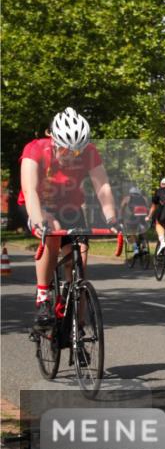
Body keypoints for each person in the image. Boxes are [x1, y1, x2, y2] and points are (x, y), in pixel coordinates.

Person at [18, 107, 119, 331]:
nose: (70, 156)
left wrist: (112, 218)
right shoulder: (35, 149)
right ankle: (43, 297)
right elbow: (30, 190)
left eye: (76, 152)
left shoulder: (89, 152)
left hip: (70, 207)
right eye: (64, 149)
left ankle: (78, 326)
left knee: (80, 261)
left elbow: (102, 186)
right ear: (52, 139)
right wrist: (39, 220)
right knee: (53, 232)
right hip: (39, 206)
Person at [119, 185, 150, 256]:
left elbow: (122, 208)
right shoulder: (144, 198)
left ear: (130, 193)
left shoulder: (127, 198)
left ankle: (135, 249)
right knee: (143, 231)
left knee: (131, 231)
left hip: (134, 217)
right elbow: (148, 207)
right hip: (143, 217)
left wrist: (120, 218)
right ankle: (144, 247)